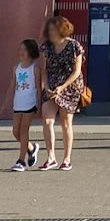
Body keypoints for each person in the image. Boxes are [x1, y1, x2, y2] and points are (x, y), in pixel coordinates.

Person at [36, 16, 85, 171]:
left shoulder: (74, 46)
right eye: (49, 30)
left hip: (70, 86)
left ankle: (67, 159)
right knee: (47, 121)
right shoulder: (46, 47)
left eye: (53, 30)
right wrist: (45, 87)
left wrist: (62, 87)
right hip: (51, 86)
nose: (50, 33)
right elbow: (44, 70)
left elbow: (77, 71)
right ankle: (51, 158)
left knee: (65, 123)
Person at [8, 38, 42, 171]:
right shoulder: (16, 68)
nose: (21, 52)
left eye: (25, 49)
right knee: (15, 131)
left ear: (31, 51)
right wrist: (6, 103)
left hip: (30, 102)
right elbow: (13, 85)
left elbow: (39, 87)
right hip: (18, 103)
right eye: (20, 49)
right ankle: (31, 148)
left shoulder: (35, 68)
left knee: (23, 129)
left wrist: (39, 104)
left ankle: (21, 160)